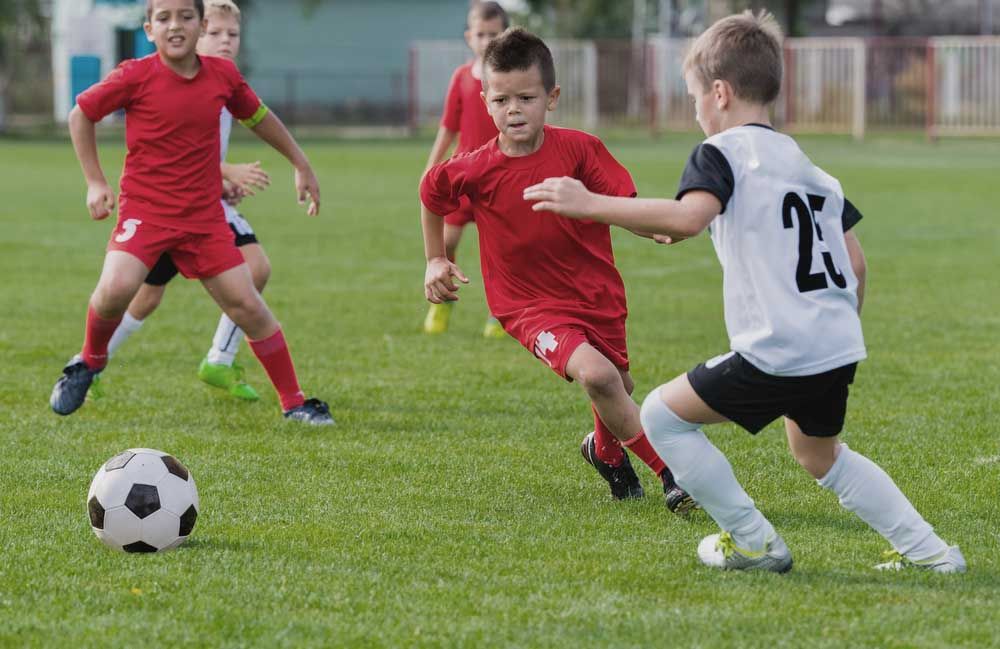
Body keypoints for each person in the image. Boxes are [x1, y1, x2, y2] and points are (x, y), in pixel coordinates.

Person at [523, 11, 965, 572]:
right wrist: (834, 325)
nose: (696, 110)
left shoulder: (722, 153)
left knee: (660, 415)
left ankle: (755, 542)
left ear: (720, 93)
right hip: (834, 342)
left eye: (692, 97)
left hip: (781, 346)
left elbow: (689, 217)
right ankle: (932, 555)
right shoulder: (807, 166)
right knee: (820, 455)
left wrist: (588, 203)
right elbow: (855, 261)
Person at [420, 28, 694, 512]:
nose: (513, 110)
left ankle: (605, 452)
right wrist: (435, 258)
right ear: (486, 103)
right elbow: (431, 192)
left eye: (526, 97)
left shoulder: (581, 150)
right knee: (599, 376)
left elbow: (618, 203)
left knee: (618, 387)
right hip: (527, 305)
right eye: (501, 99)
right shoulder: (476, 168)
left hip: (595, 293)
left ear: (552, 97)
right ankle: (674, 475)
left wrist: (651, 228)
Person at [49, 0, 333, 425]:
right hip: (145, 215)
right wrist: (95, 181)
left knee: (249, 306)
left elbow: (259, 117)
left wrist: (301, 162)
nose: (175, 25)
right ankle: (88, 363)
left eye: (185, 16)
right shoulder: (135, 75)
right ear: (149, 28)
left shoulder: (222, 76)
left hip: (203, 222)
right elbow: (81, 115)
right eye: (163, 18)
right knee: (115, 289)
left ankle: (294, 403)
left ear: (201, 25)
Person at [100, 0, 271, 402]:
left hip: (204, 205)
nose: (225, 42)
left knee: (247, 271)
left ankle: (218, 359)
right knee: (146, 296)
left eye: (232, 35)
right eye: (215, 33)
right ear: (195, 32)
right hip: (172, 210)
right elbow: (175, 153)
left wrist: (221, 179)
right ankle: (88, 363)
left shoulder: (223, 80)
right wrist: (228, 172)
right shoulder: (179, 79)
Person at [421, 1, 507, 338]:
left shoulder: (508, 80)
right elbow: (448, 127)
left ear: (505, 36)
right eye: (480, 34)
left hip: (499, 178)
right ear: (469, 36)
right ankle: (442, 301)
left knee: (500, 249)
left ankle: (500, 312)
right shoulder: (460, 77)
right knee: (446, 238)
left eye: (493, 34)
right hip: (462, 178)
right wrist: (432, 166)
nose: (486, 41)